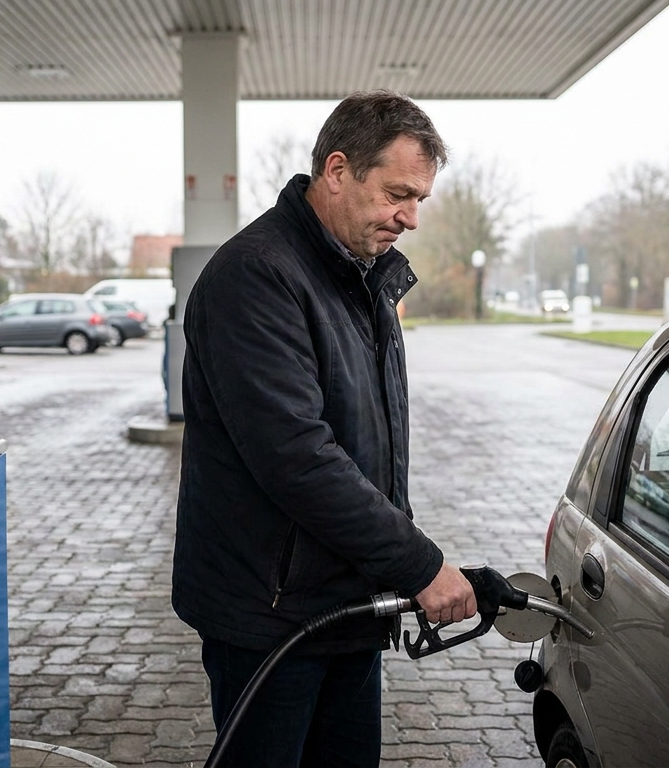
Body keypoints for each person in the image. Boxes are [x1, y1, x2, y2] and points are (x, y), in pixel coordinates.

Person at [172, 90, 477, 768]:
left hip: (345, 602)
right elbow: (297, 456)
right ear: (337, 171)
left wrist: (394, 565)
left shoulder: (361, 277)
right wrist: (420, 565)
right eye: (399, 193)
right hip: (272, 614)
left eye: (421, 198)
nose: (412, 217)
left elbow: (367, 444)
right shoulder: (257, 277)